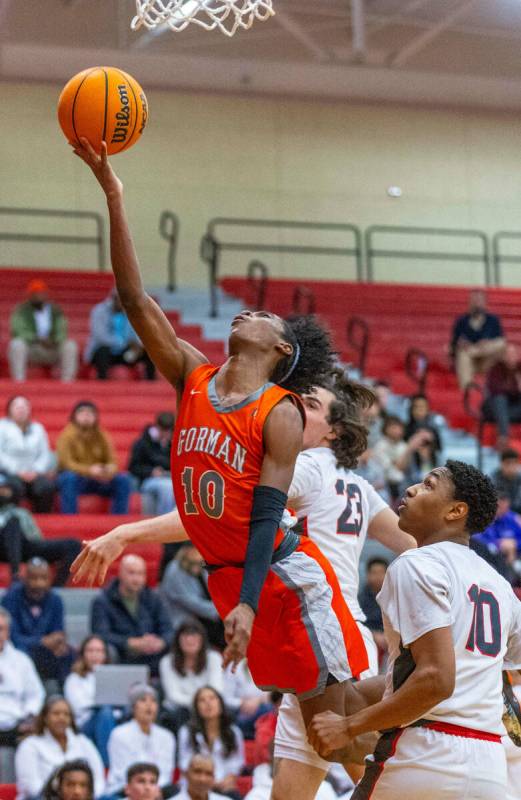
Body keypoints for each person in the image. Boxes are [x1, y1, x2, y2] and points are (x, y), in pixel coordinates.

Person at [71, 137, 377, 763]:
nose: (249, 313)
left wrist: (245, 602)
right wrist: (114, 194)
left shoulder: (281, 414)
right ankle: (437, 711)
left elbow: (265, 516)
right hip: (230, 580)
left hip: (286, 579)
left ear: (280, 352)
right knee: (334, 736)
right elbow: (134, 300)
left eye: (264, 315)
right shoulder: (192, 375)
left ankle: (450, 711)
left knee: (336, 733)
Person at [308, 460, 521, 800]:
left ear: (456, 510)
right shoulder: (498, 584)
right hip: (489, 769)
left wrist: (349, 727)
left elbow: (436, 679)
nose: (411, 489)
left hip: (423, 757)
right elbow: (499, 666)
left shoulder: (417, 564)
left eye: (428, 485)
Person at [271, 372, 415, 800]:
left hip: (327, 638)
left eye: (311, 405)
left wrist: (126, 534)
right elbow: (411, 544)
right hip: (326, 636)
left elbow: (233, 510)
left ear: (333, 430)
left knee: (368, 769)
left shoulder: (307, 467)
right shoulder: (357, 484)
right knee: (295, 790)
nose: (296, 408)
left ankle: (435, 762)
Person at [90, 554, 173, 677]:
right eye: (132, 573)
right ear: (120, 573)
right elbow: (100, 635)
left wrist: (160, 642)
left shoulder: (154, 598)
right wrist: (130, 643)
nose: (136, 579)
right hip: (122, 656)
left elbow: (168, 629)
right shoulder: (102, 601)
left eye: (140, 574)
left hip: (153, 656)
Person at [1, 558, 75, 687]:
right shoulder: (11, 597)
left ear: (50, 579)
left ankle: (63, 694)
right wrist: (41, 641)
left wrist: (58, 641)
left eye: (43, 578)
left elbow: (58, 632)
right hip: (19, 650)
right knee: (21, 652)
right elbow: (11, 637)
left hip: (44, 651)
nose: (38, 583)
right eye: (34, 578)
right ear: (24, 578)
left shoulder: (55, 599)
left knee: (67, 653)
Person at [15, 696, 105, 800]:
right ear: (45, 717)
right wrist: (60, 795)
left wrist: (88, 795)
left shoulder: (83, 742)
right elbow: (30, 787)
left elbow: (98, 778)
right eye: (56, 714)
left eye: (66, 714)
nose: (61, 718)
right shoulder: (29, 745)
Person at [0, 475, 80, 584]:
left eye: (5, 490)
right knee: (12, 524)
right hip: (2, 547)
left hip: (25, 547)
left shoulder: (22, 513)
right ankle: (15, 576)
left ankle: (56, 588)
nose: (3, 493)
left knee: (73, 544)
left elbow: (36, 538)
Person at [56, 401, 131, 514]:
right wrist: (89, 471)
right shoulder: (66, 436)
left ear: (96, 417)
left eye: (90, 413)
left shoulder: (102, 435)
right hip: (78, 479)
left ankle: (119, 521)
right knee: (68, 478)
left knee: (123, 480)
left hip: (99, 479)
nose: (86, 416)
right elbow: (66, 463)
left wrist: (108, 470)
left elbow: (113, 460)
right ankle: (70, 519)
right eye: (82, 413)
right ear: (74, 416)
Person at [105, 685, 175, 798]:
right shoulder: (119, 734)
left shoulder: (167, 736)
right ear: (133, 707)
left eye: (153, 701)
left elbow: (166, 772)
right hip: (124, 788)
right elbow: (121, 772)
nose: (149, 705)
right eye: (143, 700)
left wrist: (153, 790)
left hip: (157, 789)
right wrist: (142, 789)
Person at [178, 687, 245, 799]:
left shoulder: (234, 732)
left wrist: (224, 781)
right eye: (202, 700)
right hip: (194, 785)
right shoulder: (186, 732)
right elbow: (184, 764)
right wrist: (206, 782)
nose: (208, 703)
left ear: (220, 703)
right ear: (196, 707)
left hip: (224, 786)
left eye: (212, 698)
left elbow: (237, 764)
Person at [159, 620, 224, 733]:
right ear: (178, 640)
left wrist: (203, 703)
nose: (189, 640)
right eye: (185, 636)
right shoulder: (167, 661)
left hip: (208, 706)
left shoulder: (214, 658)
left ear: (202, 639)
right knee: (181, 713)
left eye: (194, 635)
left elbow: (216, 689)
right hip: (178, 710)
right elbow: (173, 696)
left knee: (222, 711)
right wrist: (199, 703)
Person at [8, 279, 78, 382]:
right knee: (16, 344)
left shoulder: (55, 310)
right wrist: (37, 339)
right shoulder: (21, 310)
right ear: (30, 295)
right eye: (35, 293)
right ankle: (19, 382)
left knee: (70, 345)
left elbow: (62, 329)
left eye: (41, 293)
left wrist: (54, 340)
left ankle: (67, 382)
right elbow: (18, 331)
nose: (39, 296)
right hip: (32, 348)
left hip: (52, 348)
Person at [64, 636, 118, 767]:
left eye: (99, 651)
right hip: (85, 725)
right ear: (83, 654)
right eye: (90, 651)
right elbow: (79, 707)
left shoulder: (115, 677)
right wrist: (101, 705)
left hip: (115, 720)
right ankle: (107, 765)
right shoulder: (74, 679)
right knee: (104, 713)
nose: (95, 655)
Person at [0, 395, 56, 513]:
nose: (21, 409)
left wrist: (36, 471)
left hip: (34, 473)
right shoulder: (2, 427)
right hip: (9, 473)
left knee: (46, 488)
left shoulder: (38, 428)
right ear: (9, 409)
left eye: (24, 406)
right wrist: (17, 471)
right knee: (12, 488)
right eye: (17, 406)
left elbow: (44, 453)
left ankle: (43, 522)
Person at [85, 289, 155, 381]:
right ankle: (102, 382)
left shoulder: (130, 311)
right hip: (105, 352)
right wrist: (124, 342)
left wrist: (138, 346)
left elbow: (136, 333)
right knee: (103, 352)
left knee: (149, 352)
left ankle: (151, 382)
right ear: (114, 299)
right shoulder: (99, 311)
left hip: (124, 354)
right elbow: (100, 336)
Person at [159, 546, 223, 647]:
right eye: (193, 562)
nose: (197, 566)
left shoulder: (203, 565)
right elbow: (192, 603)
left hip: (205, 620)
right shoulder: (175, 570)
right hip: (182, 623)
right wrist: (221, 610)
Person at [0, 607, 45, 747]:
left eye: (1, 629)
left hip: (17, 724)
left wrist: (28, 716)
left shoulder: (22, 661)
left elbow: (36, 695)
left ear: (8, 632)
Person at [450, 288, 505, 390]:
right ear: (469, 302)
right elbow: (453, 345)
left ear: (485, 303)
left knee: (500, 343)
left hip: (488, 361)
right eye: (474, 300)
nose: (477, 303)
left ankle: (474, 350)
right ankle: (467, 391)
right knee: (463, 354)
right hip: (470, 364)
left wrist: (487, 344)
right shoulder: (461, 321)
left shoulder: (493, 320)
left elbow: (500, 343)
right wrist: (460, 344)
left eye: (479, 300)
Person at [373, 415, 433, 503]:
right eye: (393, 427)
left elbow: (414, 471)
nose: (396, 430)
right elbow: (395, 470)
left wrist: (424, 457)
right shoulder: (380, 446)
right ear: (385, 429)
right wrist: (410, 448)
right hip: (386, 485)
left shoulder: (404, 445)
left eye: (399, 427)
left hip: (405, 484)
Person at [128, 412, 175, 516]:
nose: (166, 434)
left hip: (168, 477)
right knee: (168, 488)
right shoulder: (142, 443)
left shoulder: (172, 443)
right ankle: (164, 521)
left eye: (168, 431)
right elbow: (133, 467)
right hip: (147, 480)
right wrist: (151, 471)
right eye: (164, 431)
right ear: (157, 427)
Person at [483, 342, 521, 450]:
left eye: (513, 354)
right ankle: (504, 436)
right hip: (493, 409)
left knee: (503, 409)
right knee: (500, 398)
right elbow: (496, 389)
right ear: (503, 356)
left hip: (512, 410)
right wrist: (516, 388)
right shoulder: (496, 369)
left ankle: (504, 438)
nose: (511, 357)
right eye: (508, 354)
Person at [404, 394, 442, 477]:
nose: (419, 410)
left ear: (428, 409)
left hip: (431, 467)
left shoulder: (433, 429)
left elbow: (440, 451)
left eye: (422, 407)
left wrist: (431, 443)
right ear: (411, 410)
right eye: (416, 407)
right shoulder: (406, 429)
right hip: (410, 470)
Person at [357, 559, 389, 657]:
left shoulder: (397, 597)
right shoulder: (360, 599)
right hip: (369, 640)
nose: (378, 577)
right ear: (368, 575)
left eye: (382, 572)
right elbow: (358, 624)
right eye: (374, 573)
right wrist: (373, 634)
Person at [492, 448, 521, 514]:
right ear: (502, 464)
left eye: (515, 463)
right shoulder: (494, 478)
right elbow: (500, 504)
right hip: (502, 514)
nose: (512, 466)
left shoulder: (519, 477)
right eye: (508, 463)